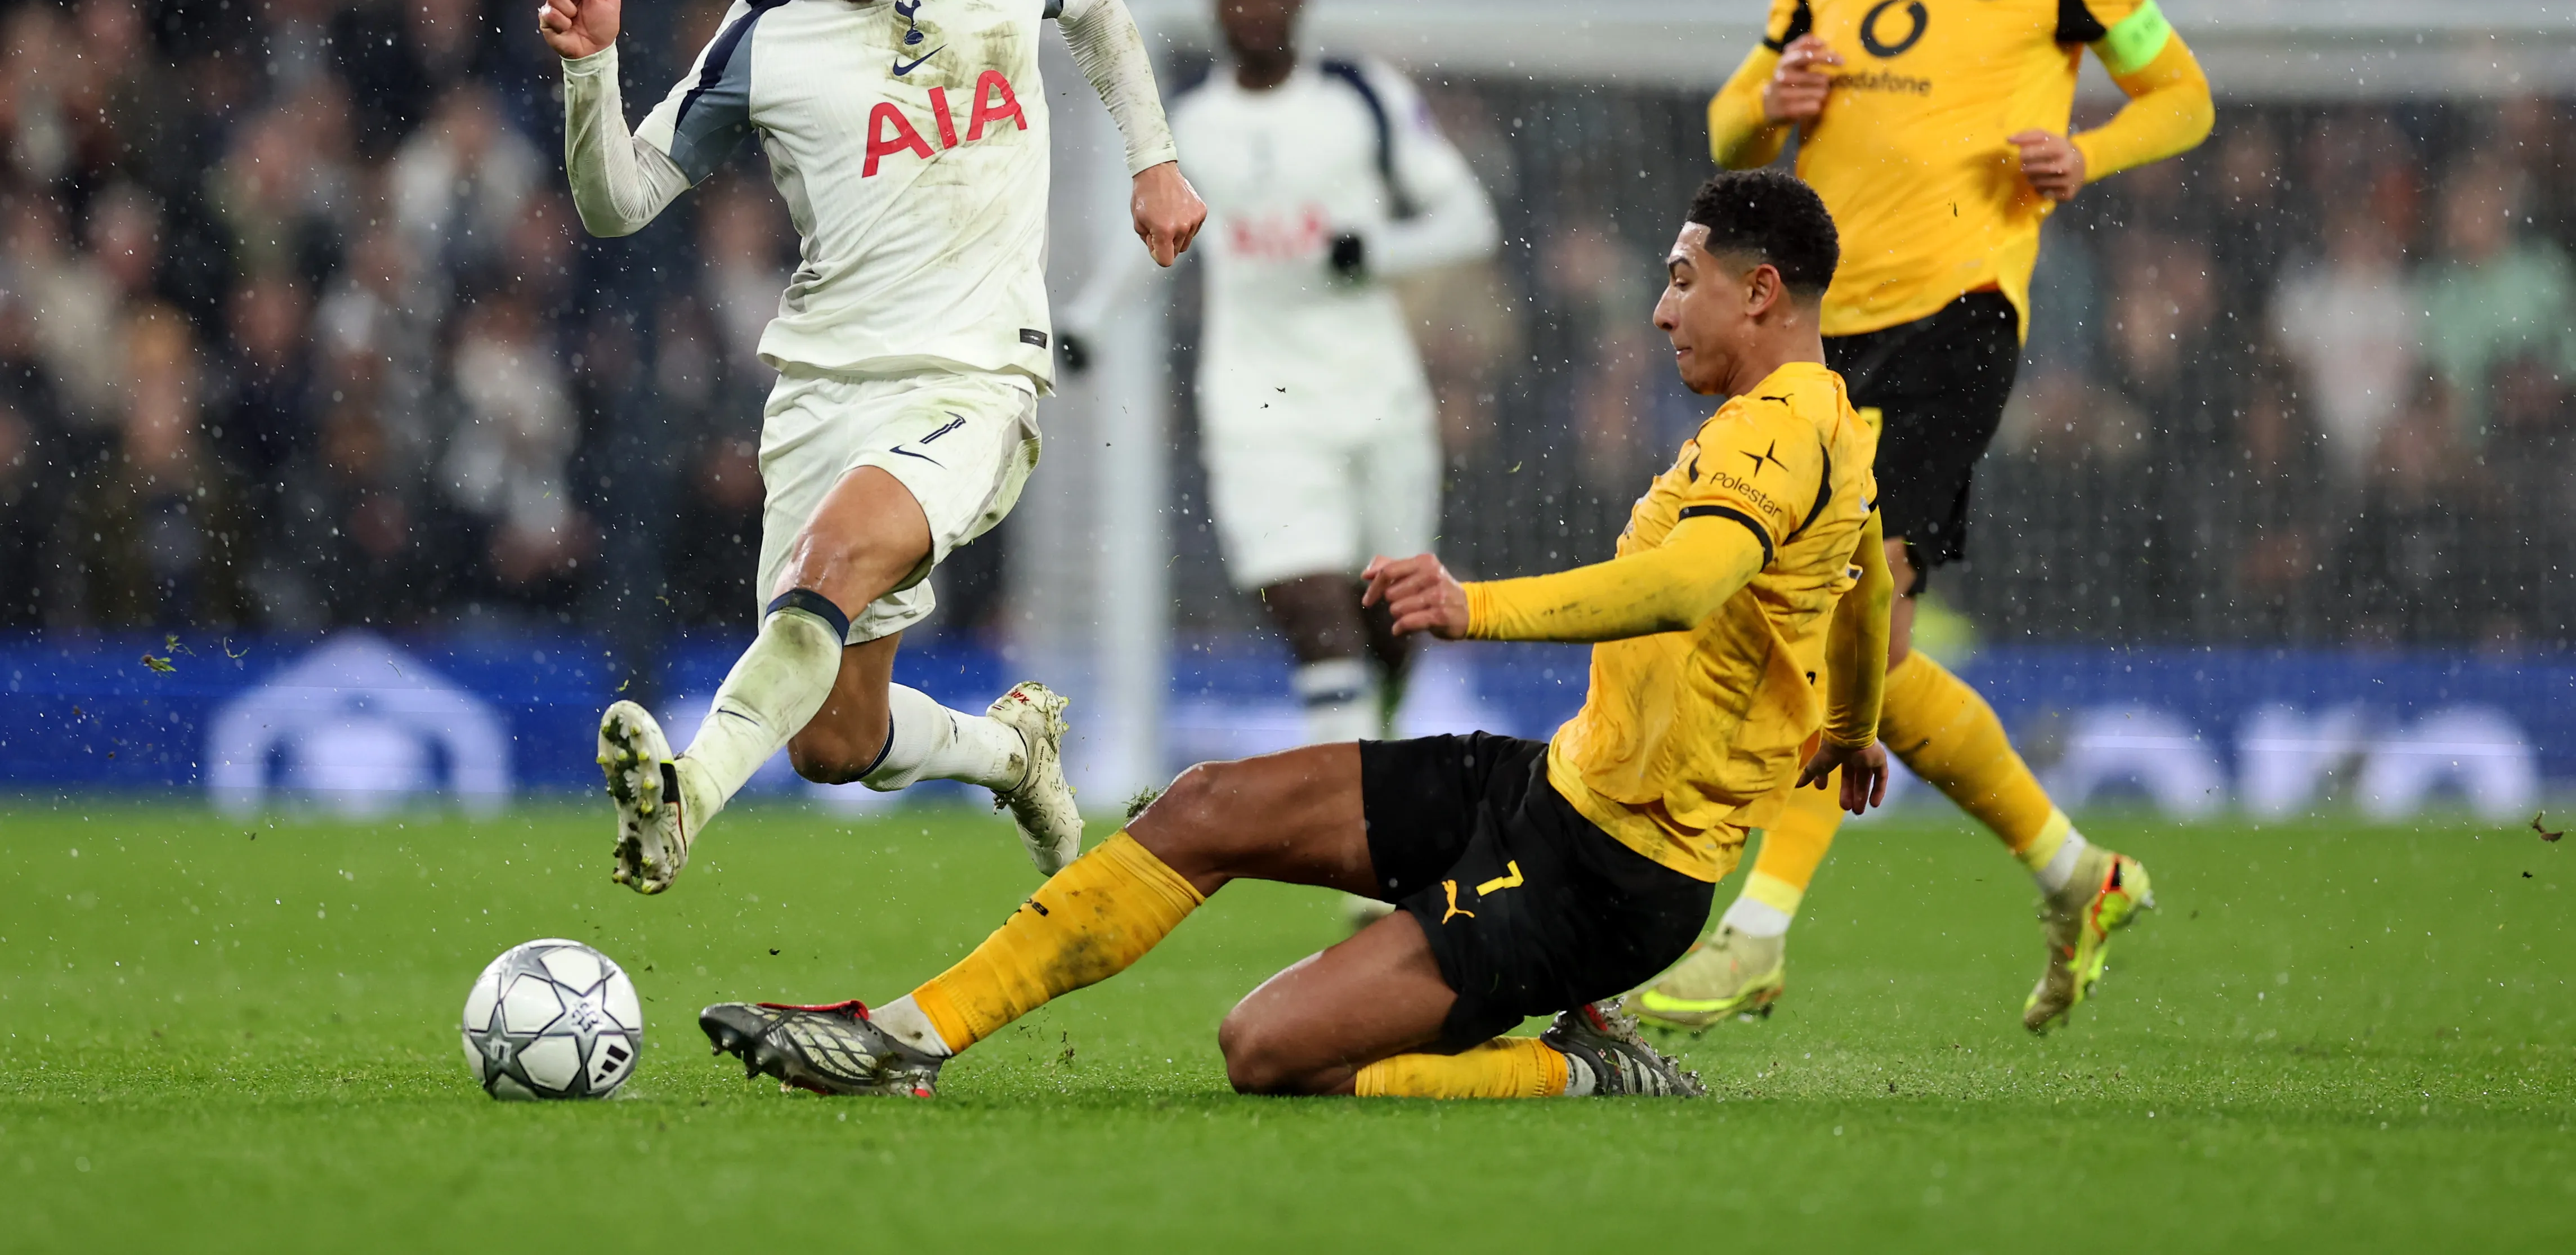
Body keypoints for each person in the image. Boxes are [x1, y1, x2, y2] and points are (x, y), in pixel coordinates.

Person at [692, 170, 1893, 1100]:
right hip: (1548, 789)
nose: (1659, 304)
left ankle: (1577, 1063)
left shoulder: (1772, 433)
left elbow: (1687, 586)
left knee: (1267, 1049)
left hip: (1613, 877)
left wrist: (1473, 605)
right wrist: (1848, 722)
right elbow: (1864, 588)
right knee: (1205, 804)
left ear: (1761, 291)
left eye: (1683, 279)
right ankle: (906, 1035)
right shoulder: (1829, 425)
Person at [1636, 0, 2214, 1037]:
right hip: (1818, 336)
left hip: (1956, 317)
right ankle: (2079, 872)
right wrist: (1772, 91)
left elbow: (2179, 95)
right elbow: (1727, 127)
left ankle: (1756, 934)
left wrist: (2091, 156)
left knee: (1844, 594)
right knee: (1868, 660)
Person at [537, 0, 1207, 894]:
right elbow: (619, 200)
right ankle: (1011, 752)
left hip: (971, 381)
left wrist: (1154, 157)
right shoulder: (765, 35)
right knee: (832, 740)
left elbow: (1096, 10)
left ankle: (684, 800)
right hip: (818, 393)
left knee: (833, 562)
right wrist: (589, 72)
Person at [1061, 0, 1499, 748]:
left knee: (1389, 623)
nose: (1256, 10)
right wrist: (1087, 319)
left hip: (1377, 396)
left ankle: (1380, 740)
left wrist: (1373, 249)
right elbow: (1155, 236)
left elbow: (1470, 218)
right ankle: (1359, 827)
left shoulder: (1363, 96)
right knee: (1310, 610)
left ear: (1299, 4)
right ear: (1219, 12)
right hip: (1257, 403)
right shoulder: (1192, 123)